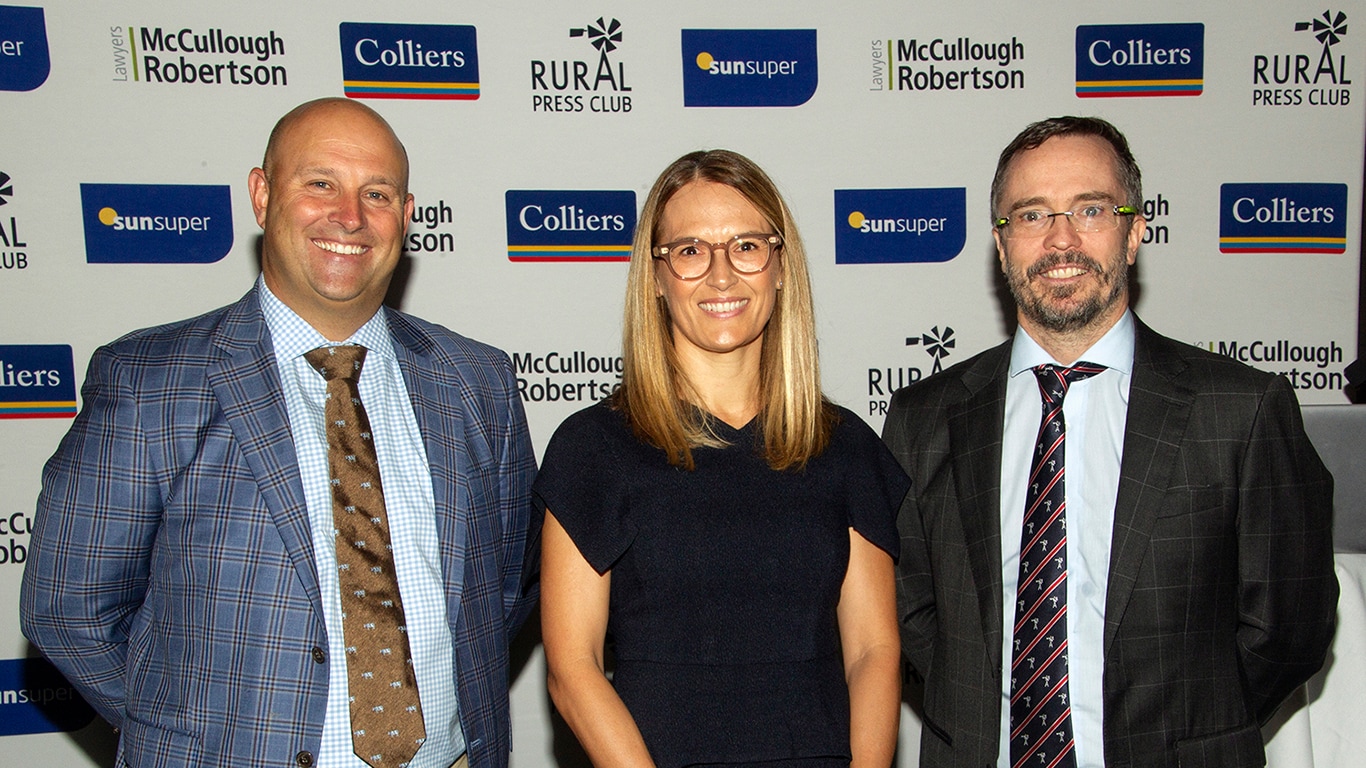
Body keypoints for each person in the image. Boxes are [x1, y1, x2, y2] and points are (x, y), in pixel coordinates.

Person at [20, 98, 538, 768]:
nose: (349, 217)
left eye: (376, 193)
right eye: (319, 183)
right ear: (262, 196)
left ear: (407, 217)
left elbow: (502, 588)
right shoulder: (150, 380)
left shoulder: (477, 380)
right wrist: (191, 734)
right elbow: (69, 608)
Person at [883, 115, 1337, 768]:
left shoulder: (1241, 409)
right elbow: (912, 615)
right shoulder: (923, 417)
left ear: (1133, 231)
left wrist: (1193, 726)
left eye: (1089, 209)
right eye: (1032, 215)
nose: (1061, 239)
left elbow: (1292, 624)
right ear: (1001, 243)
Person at [536, 149, 909, 768]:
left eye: (746, 246)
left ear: (780, 265)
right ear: (655, 276)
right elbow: (572, 669)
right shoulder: (593, 449)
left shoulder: (844, 447)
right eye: (689, 251)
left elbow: (874, 649)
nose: (721, 276)